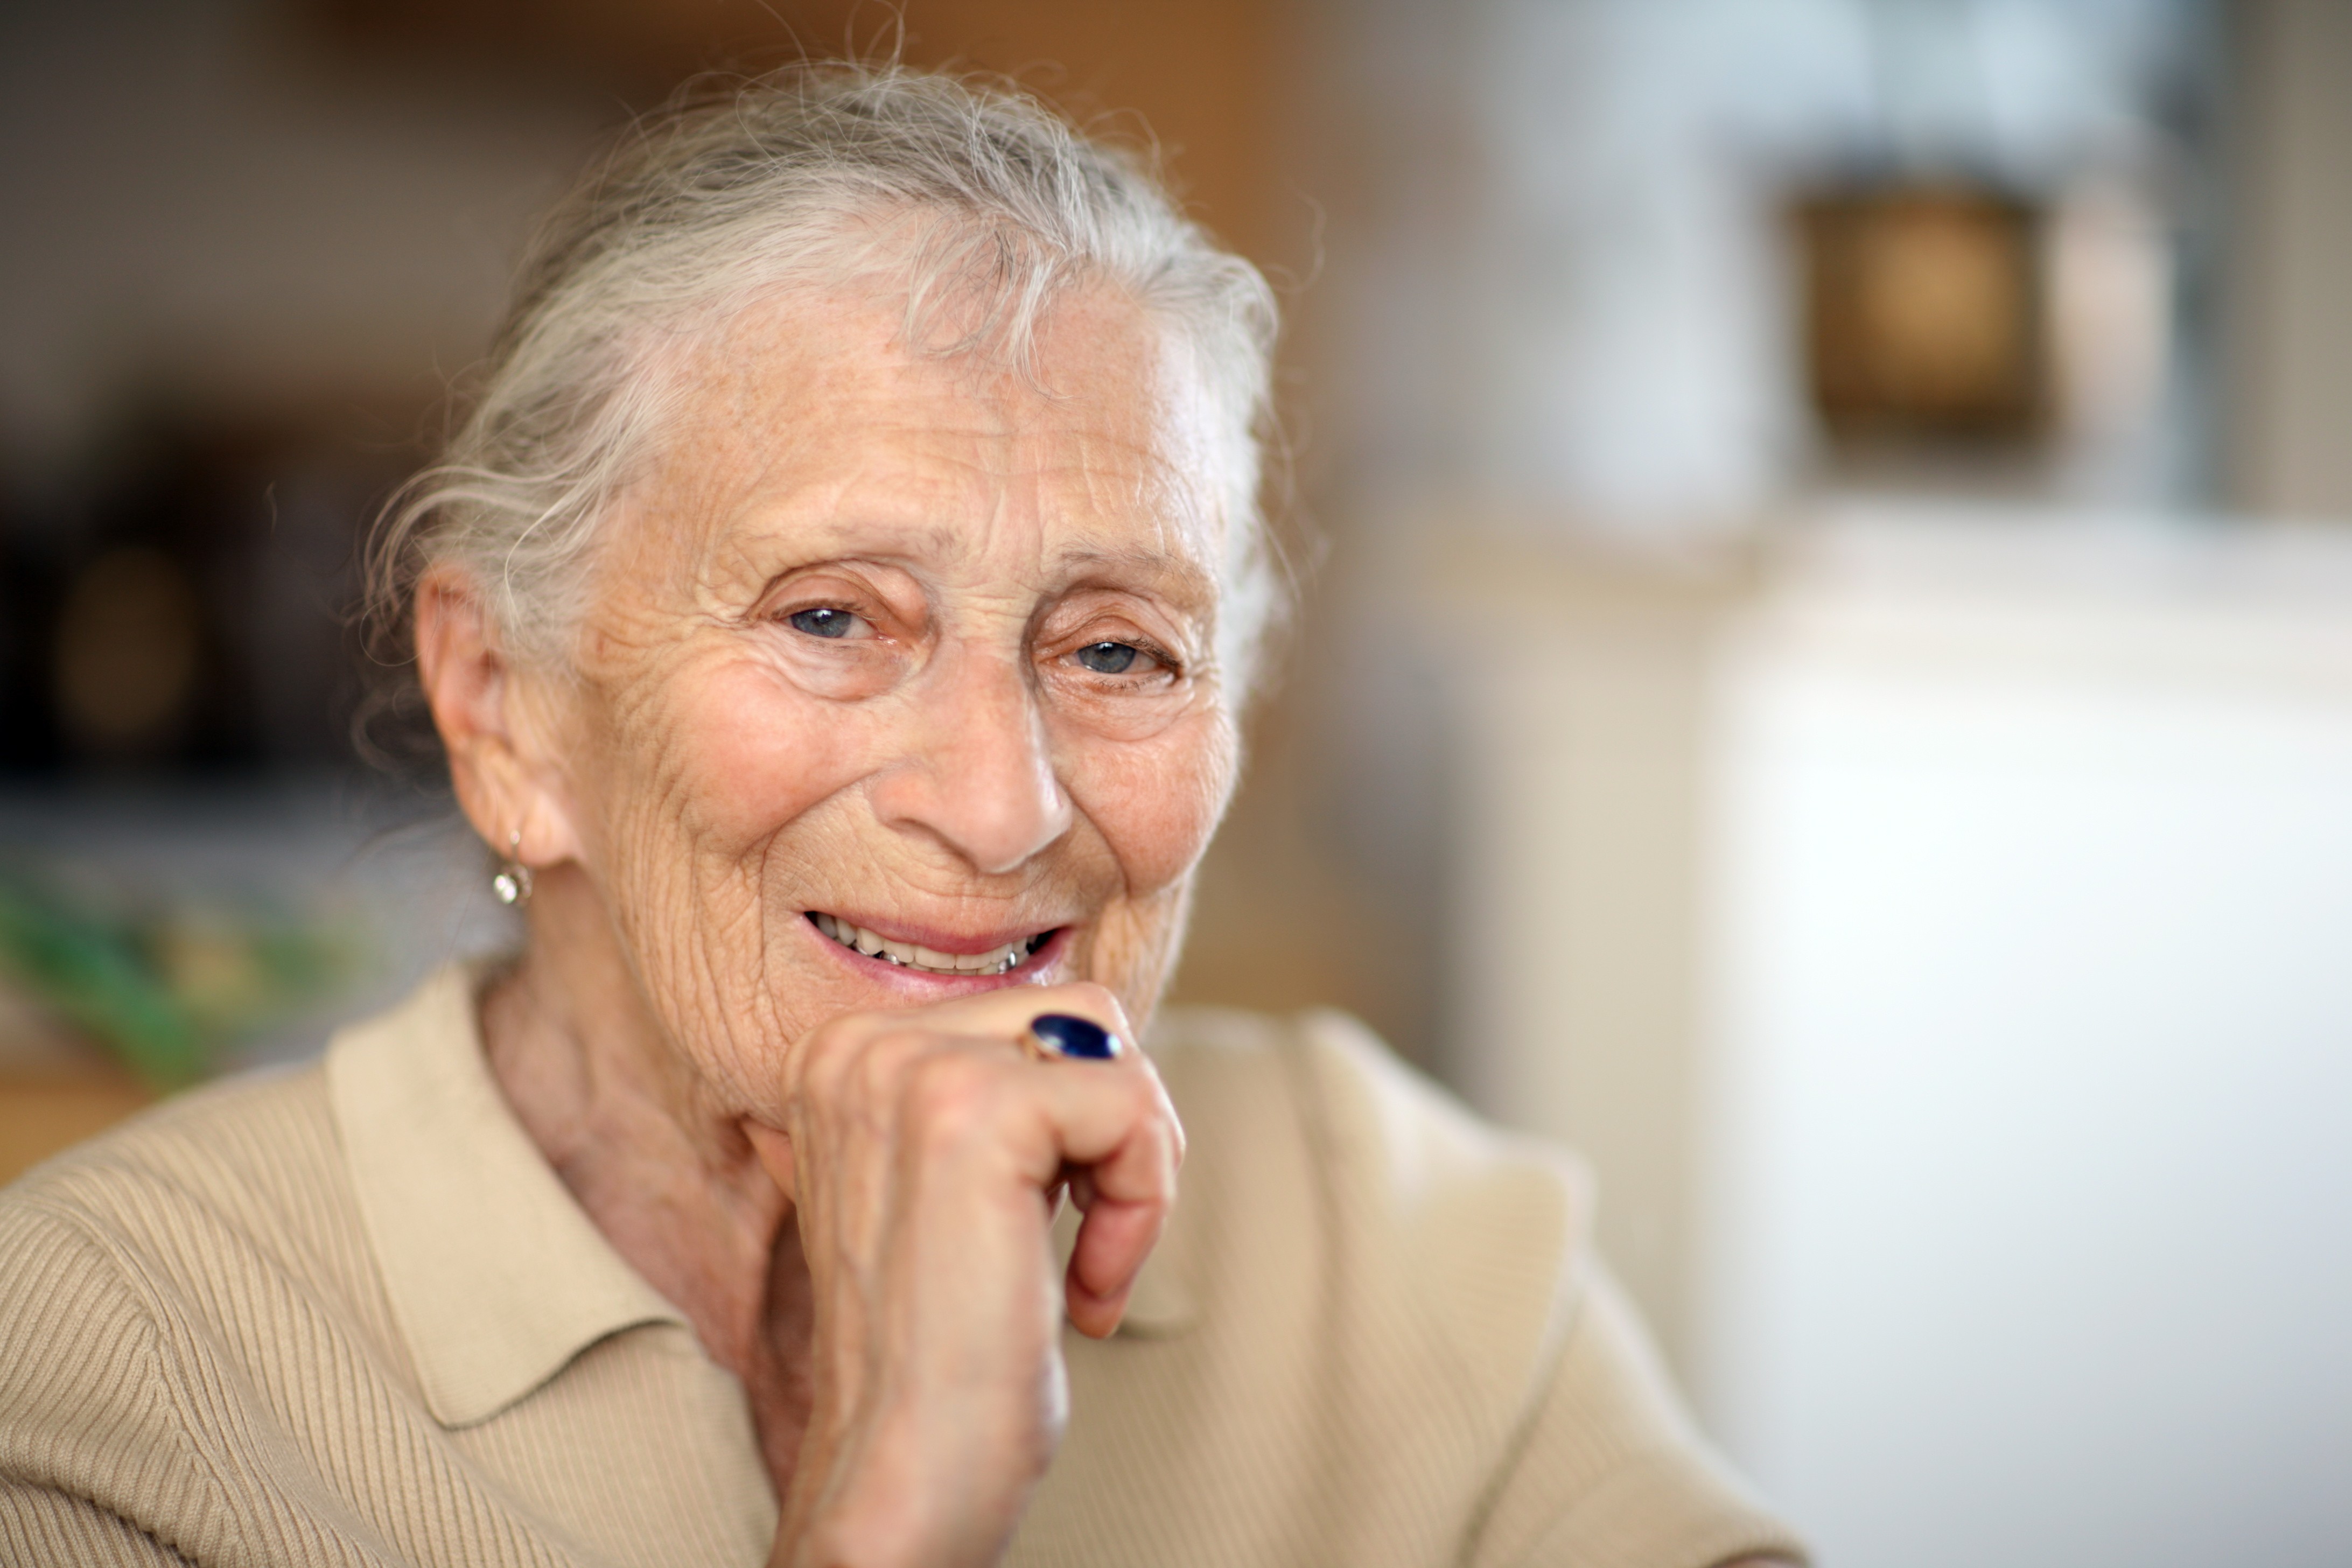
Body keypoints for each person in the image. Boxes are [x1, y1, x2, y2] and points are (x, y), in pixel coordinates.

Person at [0, 66, 1804, 1568]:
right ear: (507, 708)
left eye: (1117, 649)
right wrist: (887, 1521)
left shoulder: (1394, 1237)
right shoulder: (109, 1368)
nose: (1002, 806)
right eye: (832, 619)